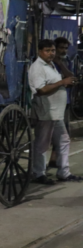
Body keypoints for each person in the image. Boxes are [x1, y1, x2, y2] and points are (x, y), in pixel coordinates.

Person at [29, 39, 79, 184]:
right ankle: (38, 174)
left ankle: (64, 172)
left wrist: (60, 66)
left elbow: (66, 78)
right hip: (46, 111)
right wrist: (62, 83)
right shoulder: (37, 67)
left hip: (56, 113)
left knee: (63, 140)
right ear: (39, 51)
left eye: (53, 51)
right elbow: (41, 89)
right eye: (47, 51)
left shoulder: (51, 65)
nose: (51, 53)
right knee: (42, 143)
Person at [50, 37, 73, 167]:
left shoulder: (66, 61)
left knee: (64, 132)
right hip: (52, 100)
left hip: (65, 100)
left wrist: (60, 63)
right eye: (61, 48)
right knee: (52, 133)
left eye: (65, 48)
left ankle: (55, 159)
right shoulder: (48, 63)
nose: (63, 51)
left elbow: (70, 77)